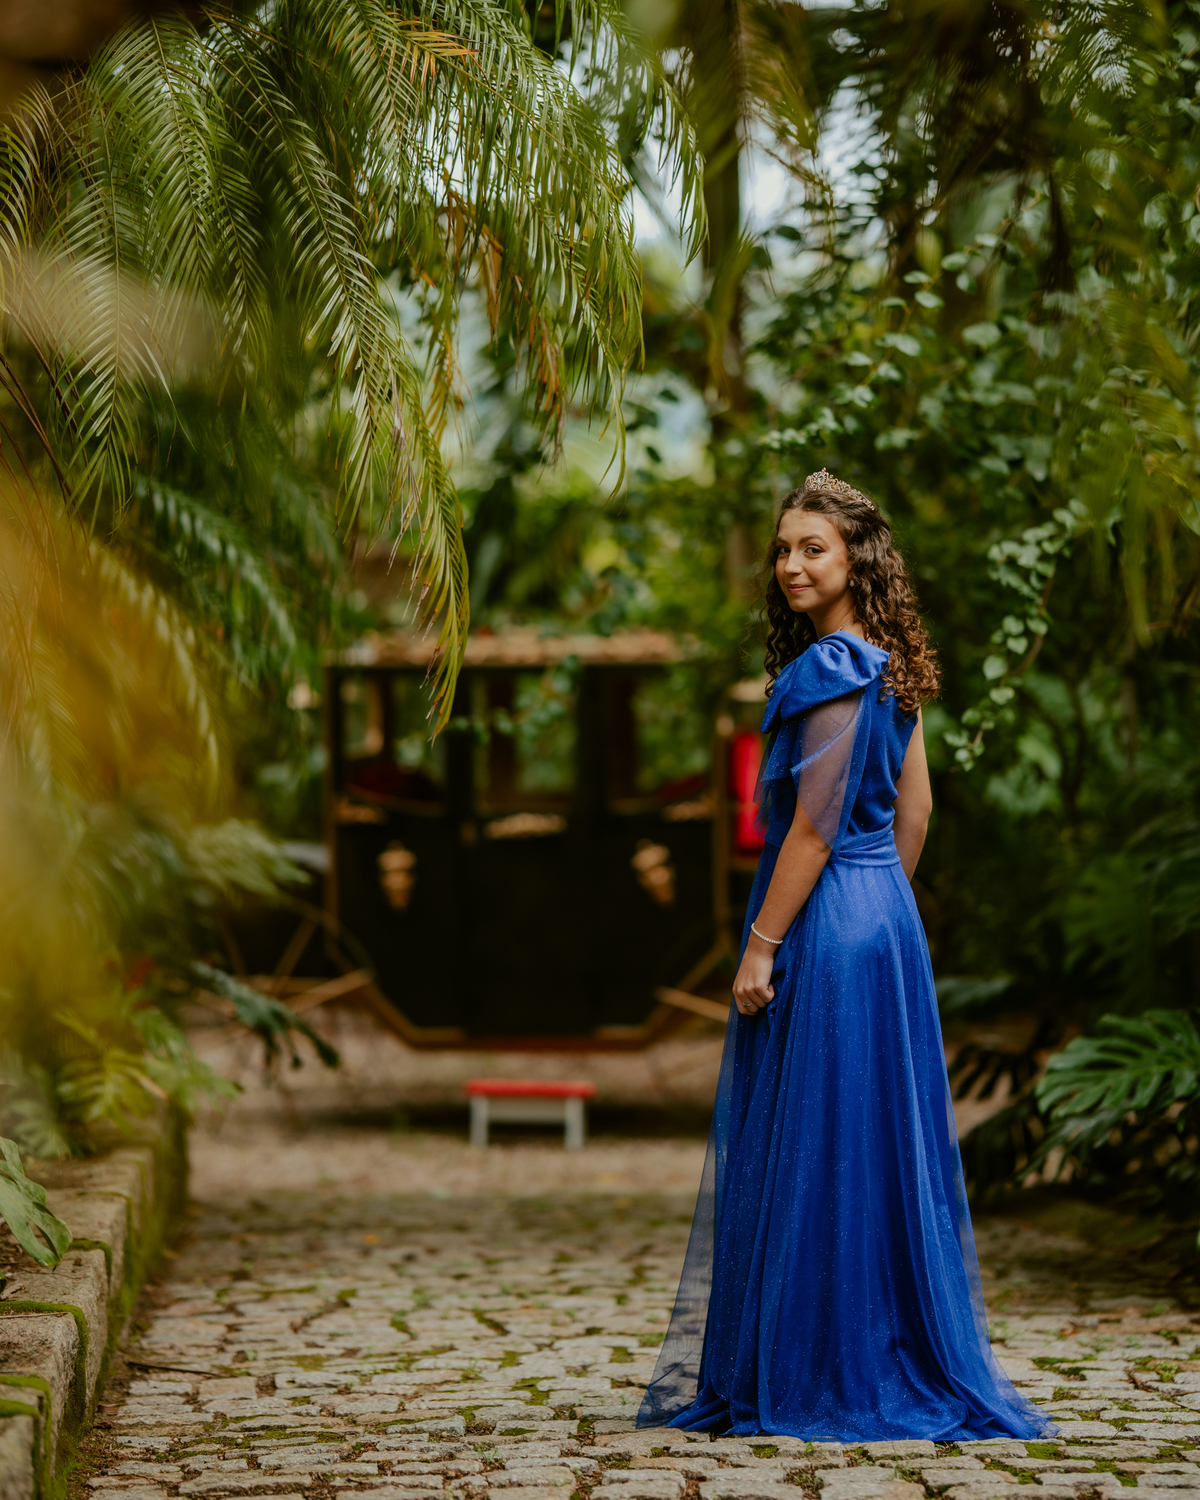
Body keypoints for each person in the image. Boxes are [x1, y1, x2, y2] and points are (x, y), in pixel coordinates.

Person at [638, 470, 1053, 1442]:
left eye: (810, 548)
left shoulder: (829, 667)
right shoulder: (892, 663)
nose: (789, 565)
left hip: (825, 916)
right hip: (885, 917)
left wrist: (764, 945)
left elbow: (813, 833)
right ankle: (880, 1343)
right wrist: (883, 906)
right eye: (782, 549)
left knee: (816, 1143)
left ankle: (820, 1364)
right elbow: (916, 815)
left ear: (856, 557)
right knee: (868, 1146)